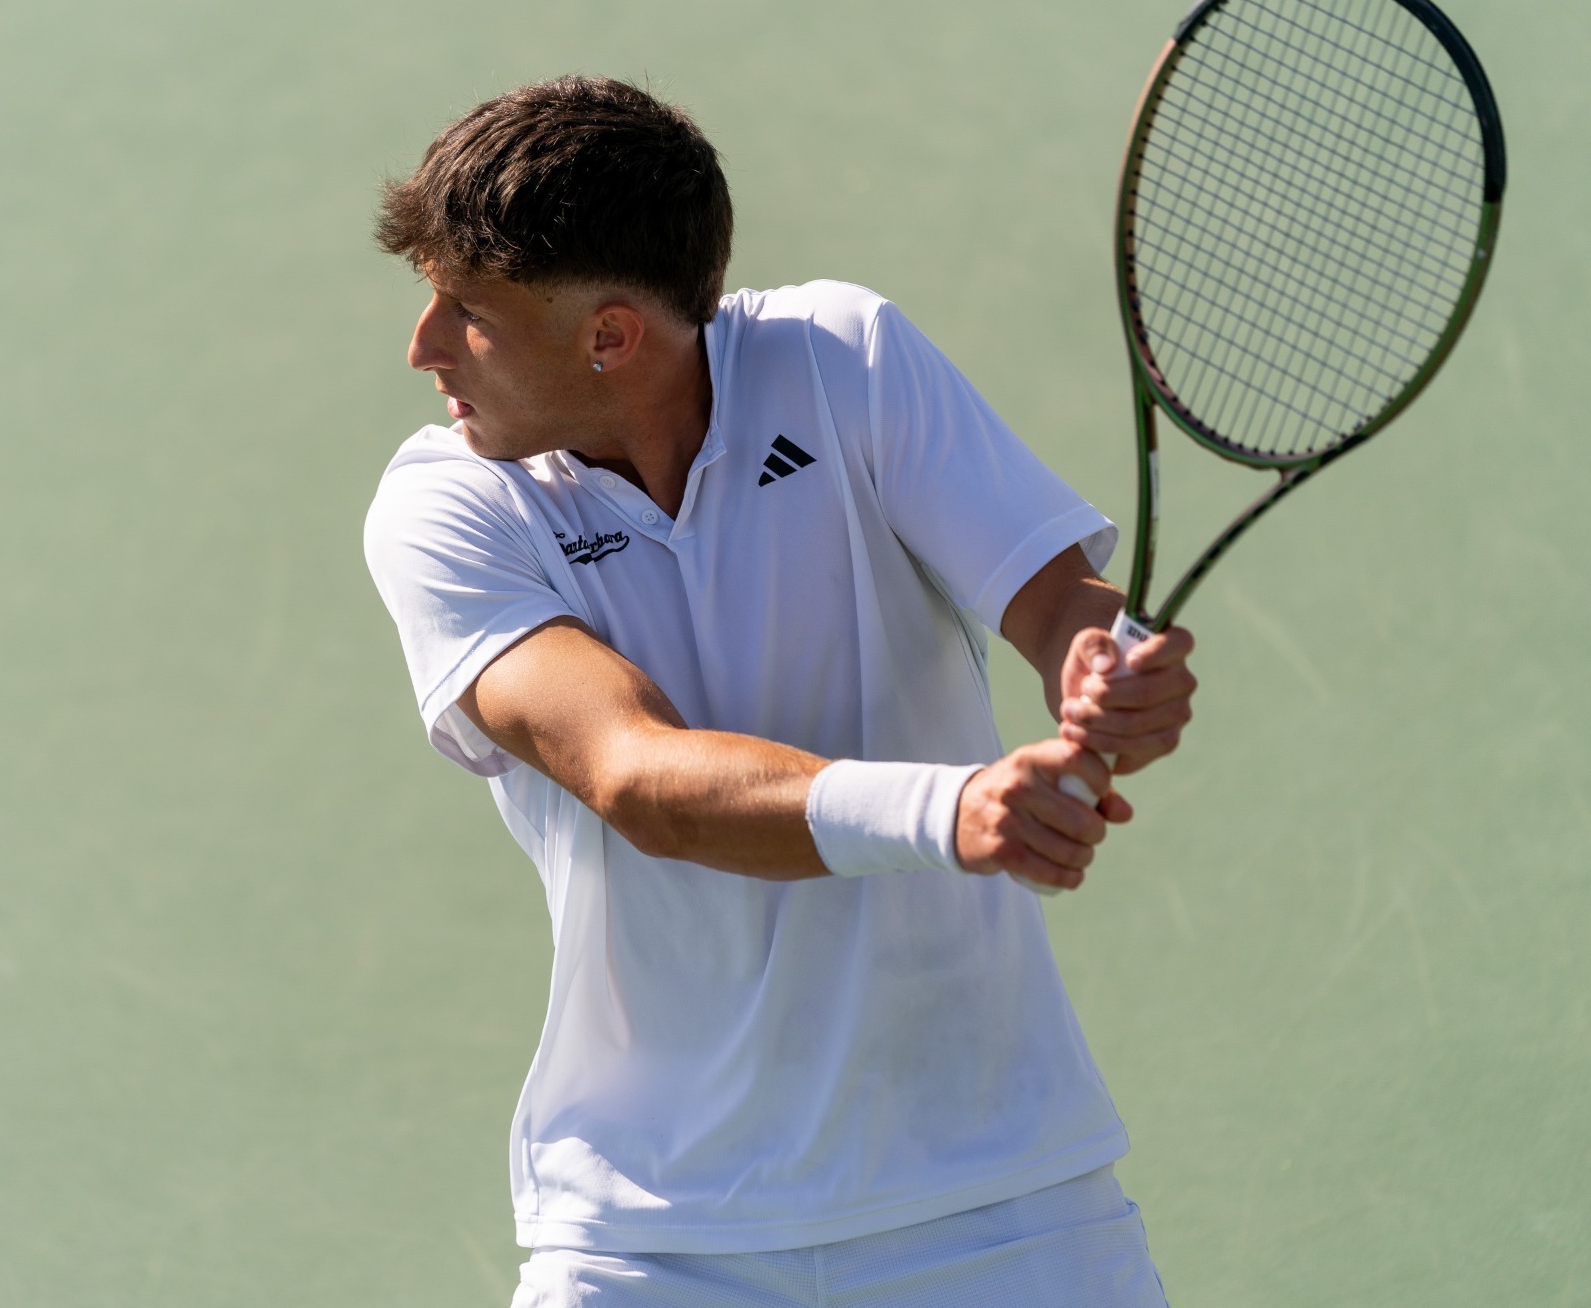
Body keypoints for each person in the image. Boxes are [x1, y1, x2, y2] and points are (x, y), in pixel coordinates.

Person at [362, 76, 1196, 1307]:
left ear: (608, 334)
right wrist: (952, 811)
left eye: (466, 309)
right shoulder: (445, 506)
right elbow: (637, 779)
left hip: (997, 1205)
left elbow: (1056, 599)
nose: (423, 344)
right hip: (651, 1236)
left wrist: (1100, 662)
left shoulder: (842, 359)